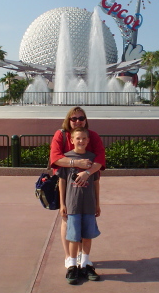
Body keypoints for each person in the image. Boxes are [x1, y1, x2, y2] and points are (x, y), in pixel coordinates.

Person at [49, 106, 105, 270]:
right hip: (67, 184)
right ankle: (69, 256)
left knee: (86, 223)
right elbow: (56, 158)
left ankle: (82, 256)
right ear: (68, 120)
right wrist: (76, 163)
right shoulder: (60, 135)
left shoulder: (92, 136)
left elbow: (100, 158)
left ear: (86, 120)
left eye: (81, 118)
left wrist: (87, 172)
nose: (77, 121)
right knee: (67, 219)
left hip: (88, 184)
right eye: (74, 119)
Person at [58, 127, 101, 284]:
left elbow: (96, 182)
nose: (81, 141)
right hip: (73, 204)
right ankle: (73, 265)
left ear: (88, 140)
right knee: (73, 237)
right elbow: (62, 181)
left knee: (87, 235)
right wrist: (62, 203)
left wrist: (98, 203)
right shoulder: (67, 158)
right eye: (78, 138)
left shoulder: (92, 159)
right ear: (71, 140)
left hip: (89, 204)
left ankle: (85, 264)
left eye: (84, 138)